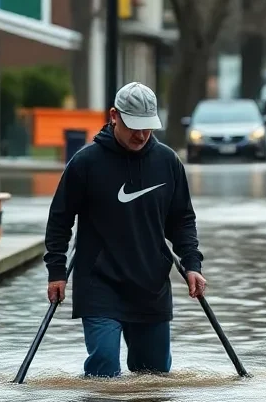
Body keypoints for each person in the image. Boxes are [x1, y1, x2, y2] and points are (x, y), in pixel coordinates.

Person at [43, 81, 207, 378]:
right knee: (104, 368)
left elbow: (182, 220)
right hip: (98, 283)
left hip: (150, 284)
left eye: (148, 127)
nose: (141, 135)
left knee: (153, 377)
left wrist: (192, 264)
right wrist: (56, 271)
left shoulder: (168, 162)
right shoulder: (85, 163)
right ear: (114, 116)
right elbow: (60, 220)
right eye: (134, 126)